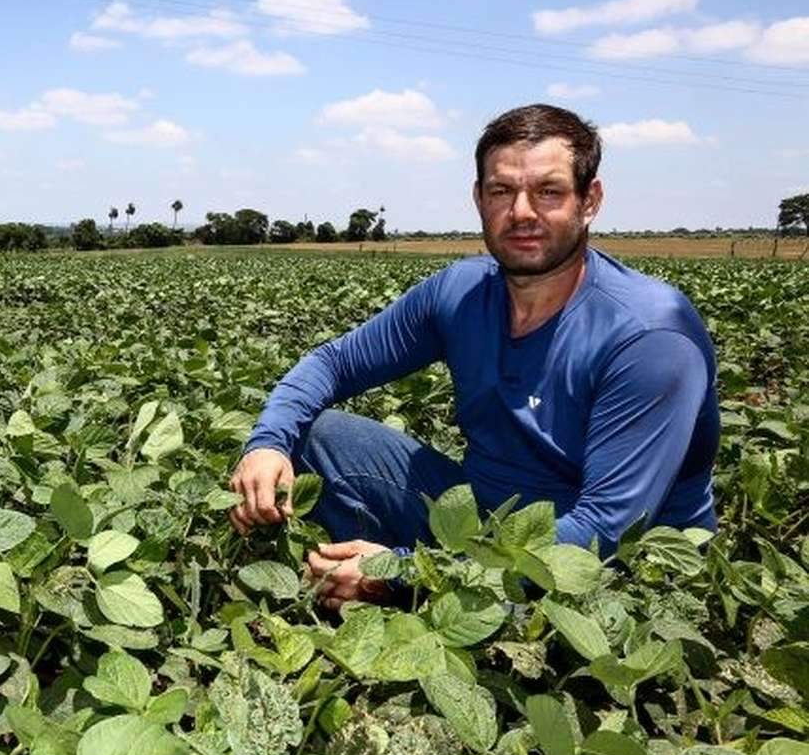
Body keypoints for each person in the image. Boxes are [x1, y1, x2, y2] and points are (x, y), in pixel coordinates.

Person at [229, 104, 719, 609]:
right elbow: (335, 364)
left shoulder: (650, 335)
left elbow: (605, 529)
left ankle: (401, 593)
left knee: (566, 596)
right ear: (479, 198)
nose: (522, 212)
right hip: (484, 517)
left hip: (609, 566)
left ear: (589, 200)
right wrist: (266, 445)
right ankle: (363, 586)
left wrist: (398, 571)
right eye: (502, 191)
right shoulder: (462, 293)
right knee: (316, 433)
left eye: (548, 191)